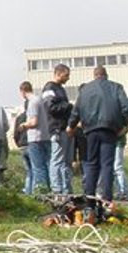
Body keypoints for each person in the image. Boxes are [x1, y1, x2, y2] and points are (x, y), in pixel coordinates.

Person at [68, 66, 128, 200]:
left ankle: (89, 196)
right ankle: (107, 198)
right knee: (107, 164)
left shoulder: (85, 89)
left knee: (91, 163)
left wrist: (71, 126)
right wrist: (123, 125)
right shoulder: (116, 87)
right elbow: (126, 107)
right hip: (109, 129)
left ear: (94, 75)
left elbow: (76, 110)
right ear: (106, 75)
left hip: (90, 130)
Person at [41, 64, 74, 194]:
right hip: (56, 128)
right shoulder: (49, 88)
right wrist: (68, 106)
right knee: (57, 160)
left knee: (65, 161)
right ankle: (57, 188)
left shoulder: (60, 88)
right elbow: (50, 108)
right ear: (58, 74)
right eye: (66, 75)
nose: (68, 78)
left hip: (63, 128)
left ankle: (66, 188)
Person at [17, 80, 51, 195]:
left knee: (38, 168)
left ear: (22, 91)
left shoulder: (32, 102)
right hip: (46, 136)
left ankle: (41, 193)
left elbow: (34, 122)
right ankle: (49, 190)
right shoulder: (41, 100)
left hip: (35, 139)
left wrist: (24, 125)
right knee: (47, 165)